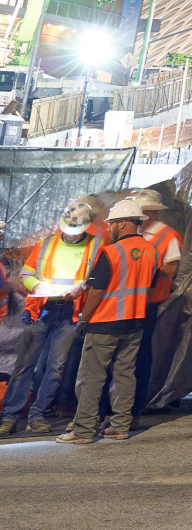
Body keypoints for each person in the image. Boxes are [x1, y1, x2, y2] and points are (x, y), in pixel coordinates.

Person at [59, 200, 158, 444]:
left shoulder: (111, 252)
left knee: (91, 378)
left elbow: (99, 290)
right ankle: (120, 426)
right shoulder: (151, 250)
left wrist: (84, 317)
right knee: (125, 375)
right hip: (134, 323)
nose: (109, 228)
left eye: (112, 223)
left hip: (105, 323)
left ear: (122, 223)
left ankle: (83, 431)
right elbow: (148, 286)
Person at [2, 202, 101, 435]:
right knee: (24, 365)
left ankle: (38, 414)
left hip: (70, 312)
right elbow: (26, 274)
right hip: (42, 310)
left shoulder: (96, 247)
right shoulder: (47, 244)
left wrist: (82, 288)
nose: (70, 235)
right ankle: (9, 416)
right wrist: (36, 284)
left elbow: (99, 280)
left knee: (55, 368)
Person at [123, 189, 181, 411]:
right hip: (123, 303)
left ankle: (136, 404)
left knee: (140, 353)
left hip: (148, 303)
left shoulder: (167, 236)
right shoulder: (130, 233)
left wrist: (145, 272)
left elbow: (171, 268)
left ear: (154, 214)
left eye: (142, 212)